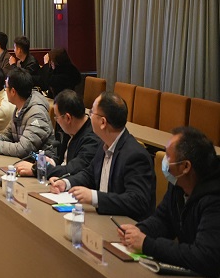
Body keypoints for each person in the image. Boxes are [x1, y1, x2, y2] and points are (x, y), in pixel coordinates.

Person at [119, 126, 220, 278]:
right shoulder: (178, 184)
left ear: (185, 167)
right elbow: (163, 220)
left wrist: (147, 244)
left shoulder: (214, 199)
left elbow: (205, 257)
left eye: (168, 156)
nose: (164, 161)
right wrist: (137, 231)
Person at [49, 92, 155, 220]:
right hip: (104, 218)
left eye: (92, 112)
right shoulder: (104, 144)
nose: (89, 116)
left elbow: (137, 201)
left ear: (103, 122)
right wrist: (66, 183)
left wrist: (94, 197)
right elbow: (89, 174)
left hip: (124, 224)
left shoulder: (135, 155)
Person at [13, 89, 98, 179]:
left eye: (57, 117)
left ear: (68, 118)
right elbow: (61, 160)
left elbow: (71, 170)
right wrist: (51, 162)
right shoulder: (70, 128)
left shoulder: (91, 141)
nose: (56, 121)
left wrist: (37, 169)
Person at [0, 69, 55, 159]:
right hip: (26, 159)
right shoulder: (20, 106)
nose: (4, 90)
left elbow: (23, 149)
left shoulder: (36, 114)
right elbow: (8, 135)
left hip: (41, 163)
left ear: (13, 92)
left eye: (6, 87)